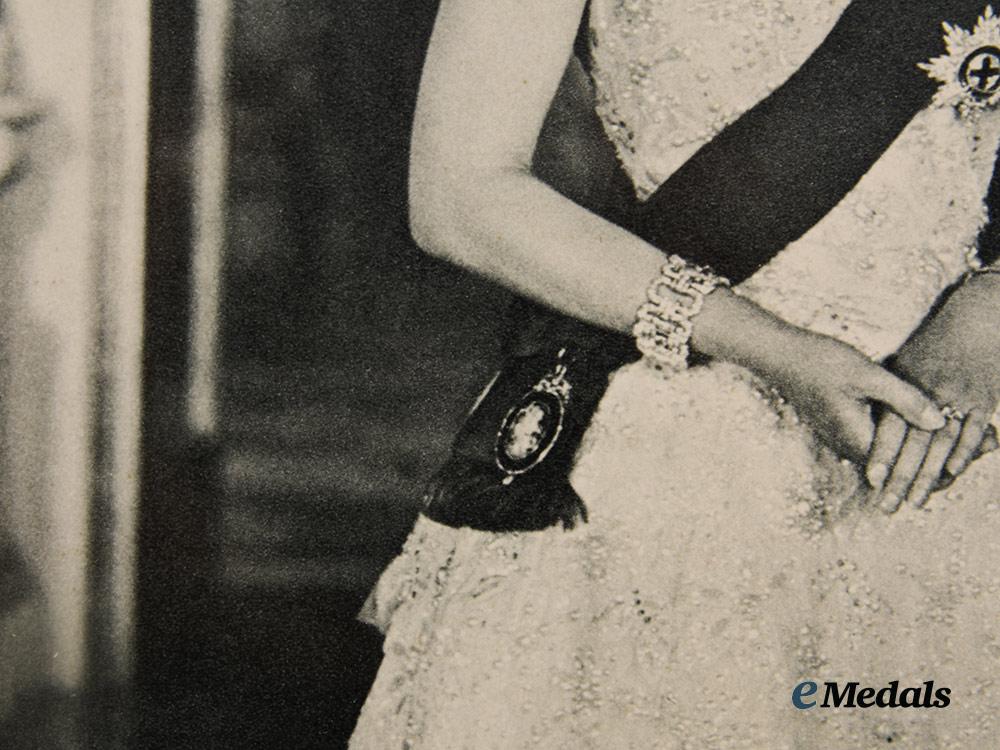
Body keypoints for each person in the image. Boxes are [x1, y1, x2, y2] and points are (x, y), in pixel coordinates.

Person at [350, 1, 1000, 746]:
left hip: (958, 424)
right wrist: (774, 349)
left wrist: (992, 302)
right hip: (687, 448)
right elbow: (460, 197)